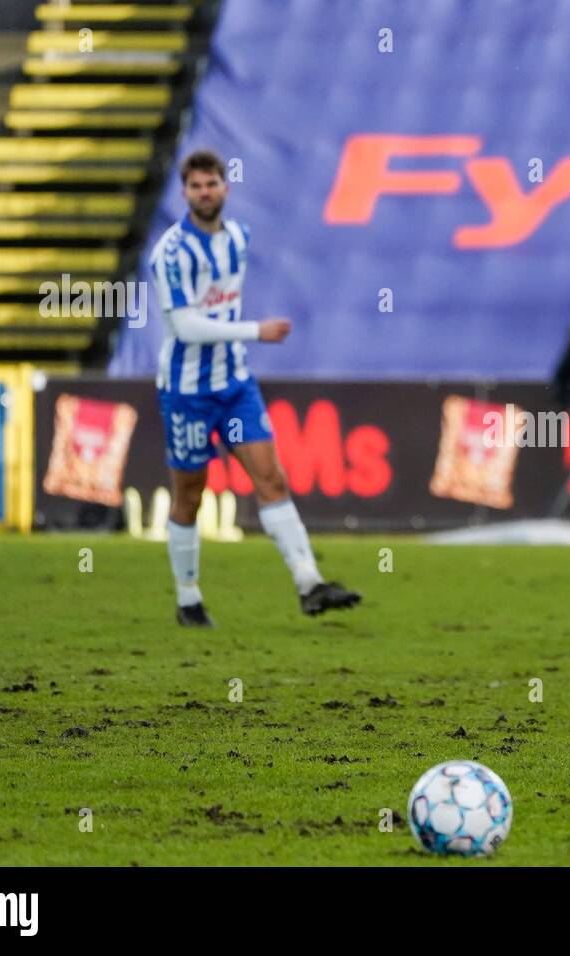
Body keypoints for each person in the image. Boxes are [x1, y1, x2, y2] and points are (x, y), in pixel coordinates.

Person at [150, 149, 361, 627]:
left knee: (271, 479)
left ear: (226, 187)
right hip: (186, 390)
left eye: (213, 184)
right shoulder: (171, 253)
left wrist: (243, 341)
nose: (205, 192)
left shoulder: (238, 238)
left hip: (234, 383)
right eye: (196, 186)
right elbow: (184, 326)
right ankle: (188, 600)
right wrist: (254, 331)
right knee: (190, 496)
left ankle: (310, 583)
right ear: (184, 193)